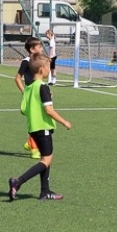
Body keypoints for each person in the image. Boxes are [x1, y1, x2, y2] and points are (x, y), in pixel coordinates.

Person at [9, 54, 73, 201]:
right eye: (49, 67)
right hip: (43, 127)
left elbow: (24, 109)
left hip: (33, 128)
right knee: (46, 161)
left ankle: (45, 191)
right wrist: (64, 122)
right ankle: (18, 182)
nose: (50, 70)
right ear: (42, 69)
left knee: (46, 158)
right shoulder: (43, 87)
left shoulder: (29, 88)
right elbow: (48, 110)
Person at [15, 37, 46, 158]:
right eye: (39, 47)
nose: (42, 49)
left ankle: (30, 143)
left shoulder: (40, 61)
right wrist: (25, 92)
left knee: (40, 119)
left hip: (39, 93)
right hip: (31, 95)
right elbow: (17, 78)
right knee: (34, 121)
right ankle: (34, 149)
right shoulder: (26, 61)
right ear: (32, 49)